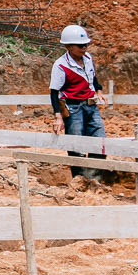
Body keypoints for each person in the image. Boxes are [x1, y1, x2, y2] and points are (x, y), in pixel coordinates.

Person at [50, 24, 107, 183]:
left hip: (91, 105)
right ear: (68, 46)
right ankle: (80, 181)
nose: (84, 48)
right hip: (73, 108)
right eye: (80, 45)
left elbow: (93, 78)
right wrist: (58, 117)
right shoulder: (61, 66)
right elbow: (54, 92)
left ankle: (95, 179)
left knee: (99, 141)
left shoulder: (88, 59)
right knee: (76, 146)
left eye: (86, 45)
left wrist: (99, 90)